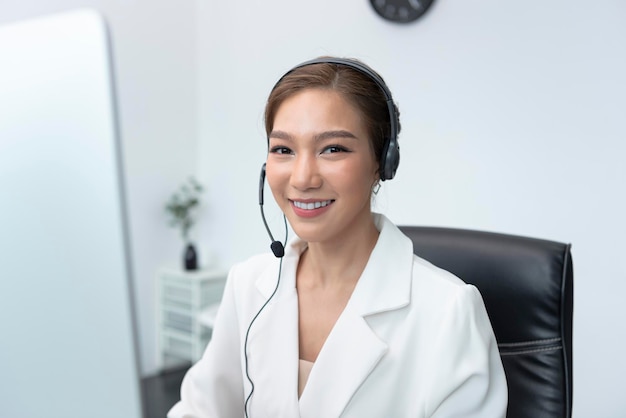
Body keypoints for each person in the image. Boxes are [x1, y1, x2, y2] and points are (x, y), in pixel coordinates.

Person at [168, 57, 507, 418]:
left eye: (333, 149)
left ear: (383, 162)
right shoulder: (248, 284)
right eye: (283, 149)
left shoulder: (448, 311)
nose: (302, 178)